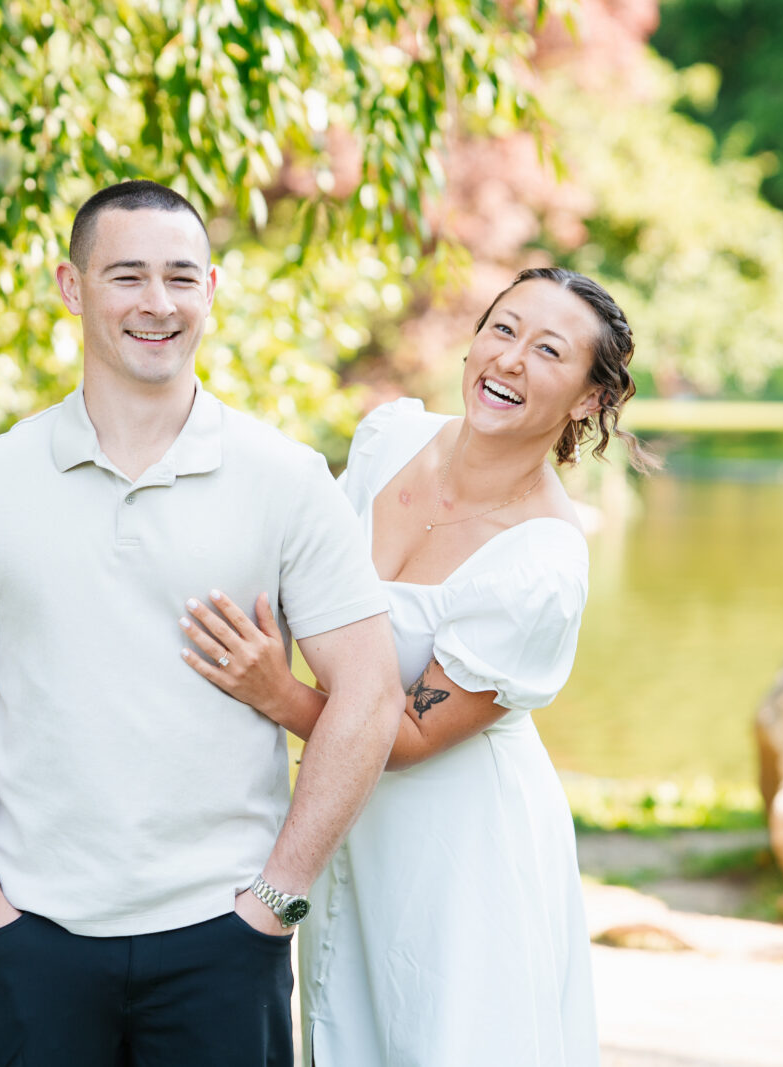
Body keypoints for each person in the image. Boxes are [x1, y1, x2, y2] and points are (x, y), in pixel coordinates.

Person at [0, 179, 403, 1067]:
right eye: (126, 275)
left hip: (223, 936)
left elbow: (370, 691)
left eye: (180, 276)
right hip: (29, 933)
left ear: (212, 288)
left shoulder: (285, 478)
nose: (157, 303)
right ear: (71, 285)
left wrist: (274, 902)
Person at [179, 266, 656, 1066]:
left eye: (548, 351)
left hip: (461, 838)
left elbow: (405, 733)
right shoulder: (390, 438)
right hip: (346, 812)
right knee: (349, 1026)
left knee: (448, 1034)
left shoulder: (540, 564)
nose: (509, 360)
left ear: (587, 399)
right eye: (502, 329)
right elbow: (306, 578)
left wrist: (275, 691)